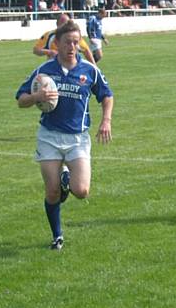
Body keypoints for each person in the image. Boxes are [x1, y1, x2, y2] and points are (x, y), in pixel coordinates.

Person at [16, 19, 114, 250]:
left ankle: (67, 178)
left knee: (81, 191)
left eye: (76, 42)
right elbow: (20, 100)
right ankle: (57, 235)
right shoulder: (44, 71)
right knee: (51, 192)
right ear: (57, 44)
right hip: (49, 136)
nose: (72, 46)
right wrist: (35, 98)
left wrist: (106, 120)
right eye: (68, 42)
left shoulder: (89, 70)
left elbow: (107, 96)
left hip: (77, 139)